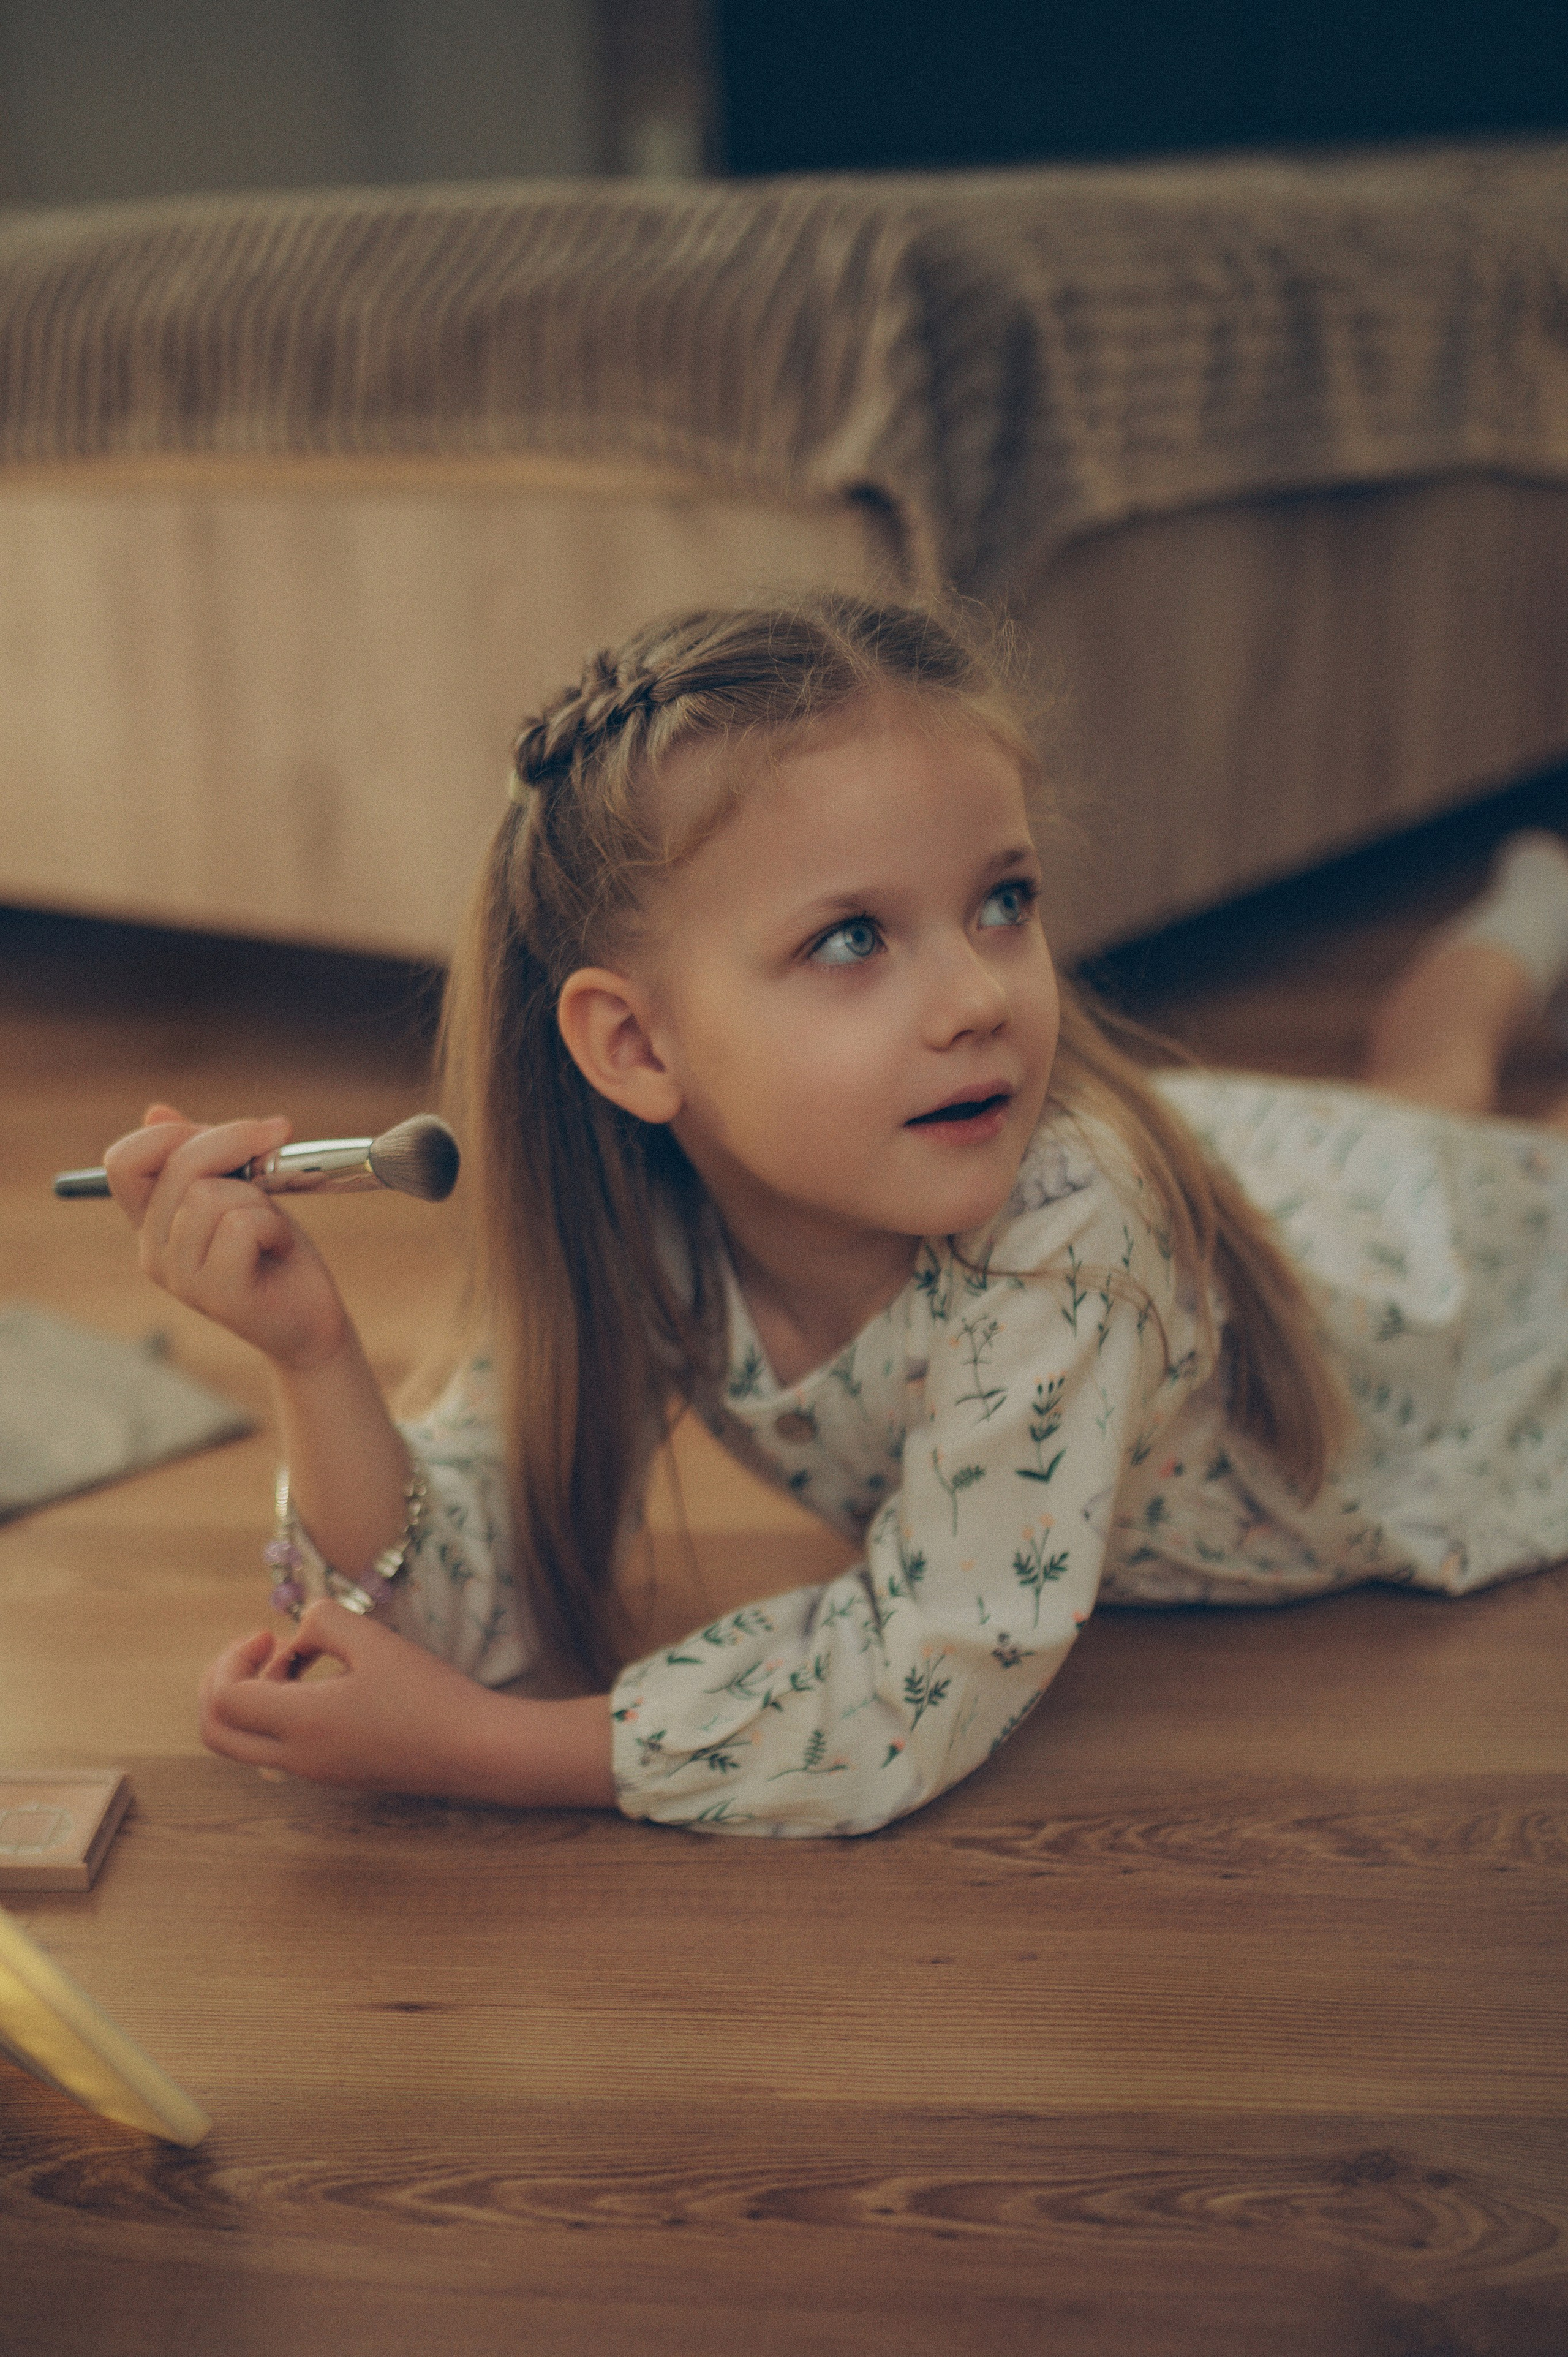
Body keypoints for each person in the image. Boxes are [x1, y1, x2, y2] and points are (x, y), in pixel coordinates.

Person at [103, 596, 1568, 1836]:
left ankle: (1514, 927)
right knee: (1425, 1095)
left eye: (1002, 901)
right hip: (1282, 1192)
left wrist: (489, 1752)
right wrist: (310, 1350)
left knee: (1457, 1151)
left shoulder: (1069, 1223)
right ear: (635, 1049)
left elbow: (920, 1675)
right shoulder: (644, 1220)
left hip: (1425, 1318)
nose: (980, 996)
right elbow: (447, 1604)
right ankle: (1518, 925)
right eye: (853, 938)